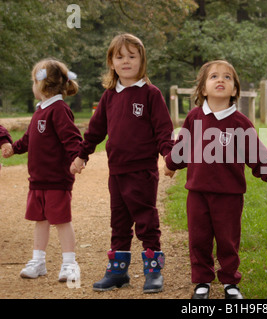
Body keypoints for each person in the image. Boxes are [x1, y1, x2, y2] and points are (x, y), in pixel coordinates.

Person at [164, 60, 267, 299]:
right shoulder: (194, 117)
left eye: (227, 77)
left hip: (229, 194)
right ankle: (202, 282)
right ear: (203, 89)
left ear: (235, 90)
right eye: (214, 76)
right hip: (197, 192)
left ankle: (230, 282)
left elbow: (257, 154)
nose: (221, 80)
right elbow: (183, 145)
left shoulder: (240, 122)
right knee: (199, 238)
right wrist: (171, 164)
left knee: (228, 240)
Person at [71, 33, 173, 293]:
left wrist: (169, 158)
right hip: (116, 171)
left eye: (132, 56)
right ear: (111, 62)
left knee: (146, 221)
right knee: (119, 222)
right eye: (120, 57)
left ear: (142, 61)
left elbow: (163, 130)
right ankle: (118, 272)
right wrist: (83, 154)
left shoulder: (150, 94)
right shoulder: (109, 96)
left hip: (142, 171)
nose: (126, 61)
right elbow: (95, 130)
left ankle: (153, 271)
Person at [2, 58, 82, 283]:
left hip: (57, 179)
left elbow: (72, 139)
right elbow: (29, 139)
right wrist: (14, 149)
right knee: (40, 219)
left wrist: (77, 158)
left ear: (42, 85)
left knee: (62, 220)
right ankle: (38, 261)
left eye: (33, 82)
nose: (32, 86)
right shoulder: (40, 110)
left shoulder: (59, 110)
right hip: (37, 179)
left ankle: (69, 263)